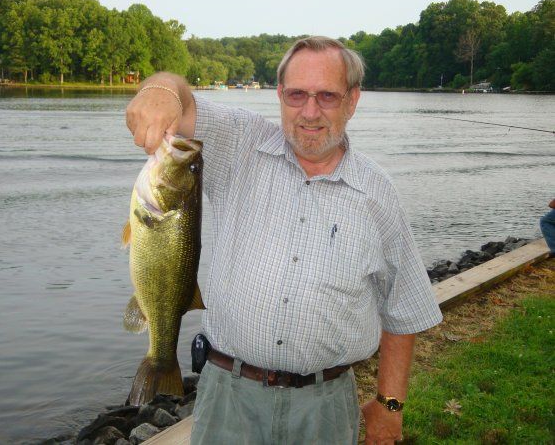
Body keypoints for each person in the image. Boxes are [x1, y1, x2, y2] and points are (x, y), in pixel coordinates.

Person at [126, 36, 443, 445]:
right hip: (228, 400)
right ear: (279, 95)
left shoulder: (377, 192)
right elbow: (182, 101)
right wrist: (159, 90)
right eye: (296, 94)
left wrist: (390, 404)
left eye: (327, 96)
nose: (309, 112)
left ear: (352, 100)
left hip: (325, 409)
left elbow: (404, 308)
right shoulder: (239, 141)